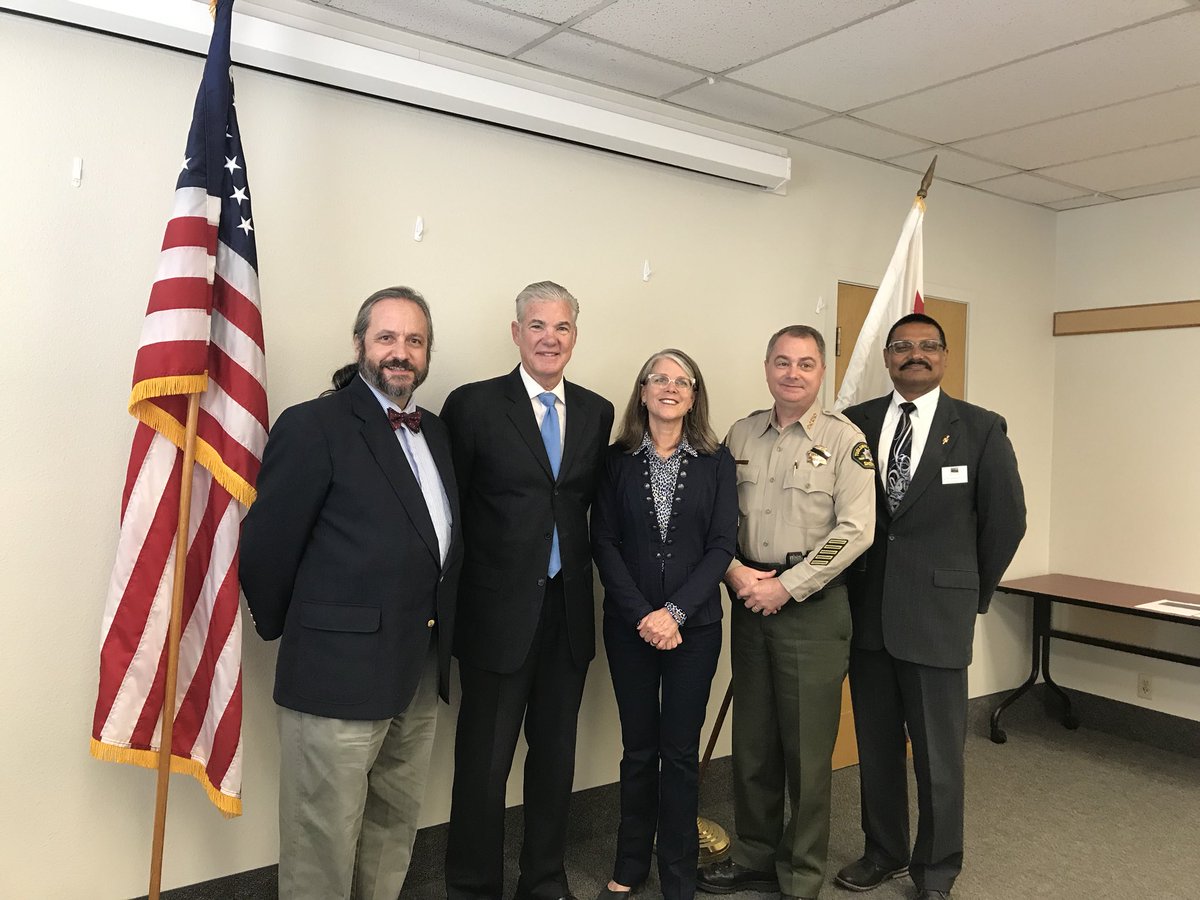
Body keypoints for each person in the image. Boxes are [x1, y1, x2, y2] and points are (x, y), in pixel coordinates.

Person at [240, 286, 461, 900]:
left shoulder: (437, 433)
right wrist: (309, 635)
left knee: (393, 825)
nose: (401, 351)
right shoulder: (314, 425)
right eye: (387, 337)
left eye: (414, 340)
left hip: (417, 668)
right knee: (322, 837)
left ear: (427, 353)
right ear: (361, 343)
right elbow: (265, 547)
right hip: (334, 672)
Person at [836, 313, 1026, 900]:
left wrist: (969, 591)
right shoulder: (856, 422)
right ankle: (884, 851)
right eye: (902, 346)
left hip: (938, 618)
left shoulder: (980, 428)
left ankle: (937, 870)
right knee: (876, 748)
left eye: (927, 346)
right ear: (887, 358)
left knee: (939, 758)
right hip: (868, 616)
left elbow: (1006, 522)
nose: (914, 355)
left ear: (944, 356)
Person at [442, 281, 615, 900]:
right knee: (483, 766)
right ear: (516, 332)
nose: (550, 338)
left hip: (567, 617)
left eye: (562, 327)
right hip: (495, 619)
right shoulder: (473, 405)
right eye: (537, 326)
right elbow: (452, 513)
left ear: (575, 336)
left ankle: (543, 878)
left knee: (555, 762)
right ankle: (472, 885)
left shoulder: (596, 411)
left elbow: (585, 504)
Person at [697, 325, 876, 900]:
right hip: (750, 601)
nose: (792, 373)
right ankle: (754, 854)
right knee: (753, 743)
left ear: (821, 371)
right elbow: (716, 517)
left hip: (812, 612)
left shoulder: (845, 440)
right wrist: (733, 572)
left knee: (806, 751)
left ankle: (800, 873)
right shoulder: (741, 433)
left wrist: (789, 586)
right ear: (767, 367)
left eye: (805, 363)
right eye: (782, 361)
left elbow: (856, 530)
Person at [591, 349, 737, 900]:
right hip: (629, 628)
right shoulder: (616, 460)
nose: (670, 387)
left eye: (682, 381)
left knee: (678, 753)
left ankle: (677, 873)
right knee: (637, 750)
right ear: (644, 391)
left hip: (694, 630)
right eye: (660, 378)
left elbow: (722, 545)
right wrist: (643, 615)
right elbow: (603, 541)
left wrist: (674, 613)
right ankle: (630, 863)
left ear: (694, 396)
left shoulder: (717, 461)